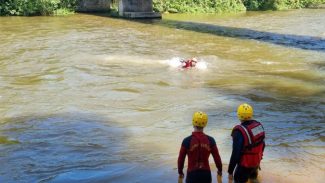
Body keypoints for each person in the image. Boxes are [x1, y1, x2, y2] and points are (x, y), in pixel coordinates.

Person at [178, 111, 222, 183]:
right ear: (205, 124)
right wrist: (219, 170)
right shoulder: (211, 140)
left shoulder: (186, 141)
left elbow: (181, 159)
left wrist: (180, 172)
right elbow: (217, 158)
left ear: (193, 123)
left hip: (192, 175)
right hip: (206, 175)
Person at [228, 103, 266, 183]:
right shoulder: (258, 126)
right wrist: (259, 159)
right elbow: (263, 144)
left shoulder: (239, 132)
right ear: (251, 114)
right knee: (253, 180)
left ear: (239, 115)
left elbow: (235, 154)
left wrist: (230, 171)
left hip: (244, 166)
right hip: (256, 163)